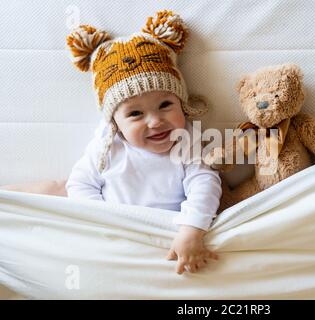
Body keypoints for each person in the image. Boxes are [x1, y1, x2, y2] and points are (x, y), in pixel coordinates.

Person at [64, 10, 222, 274]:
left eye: (165, 105)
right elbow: (80, 184)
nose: (155, 121)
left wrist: (192, 229)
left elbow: (205, 183)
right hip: (117, 230)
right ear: (115, 123)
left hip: (168, 231)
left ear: (181, 103)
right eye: (135, 113)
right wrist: (104, 221)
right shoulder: (107, 145)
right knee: (55, 191)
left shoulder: (186, 140)